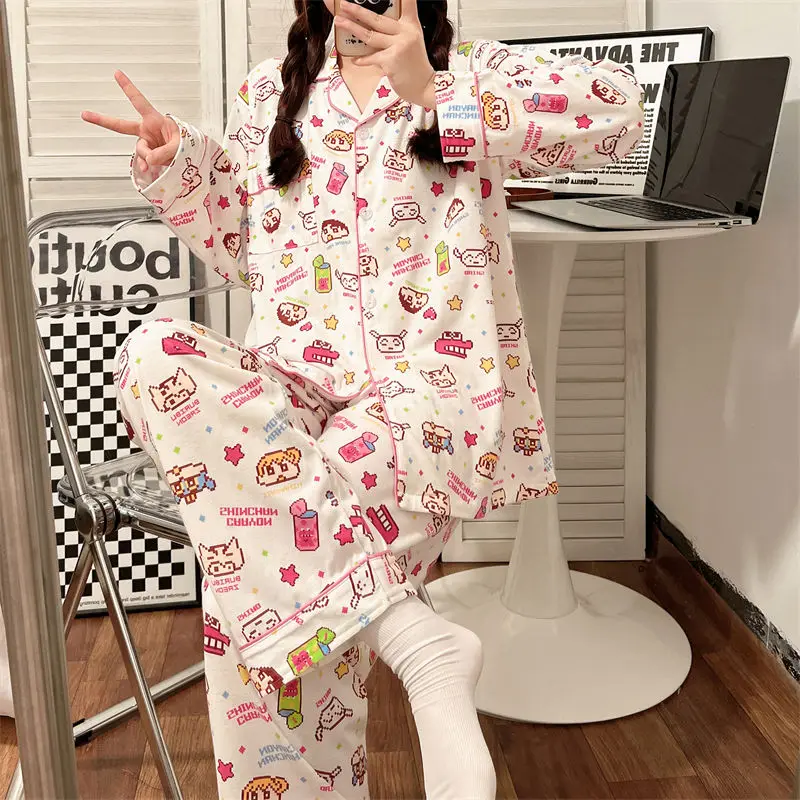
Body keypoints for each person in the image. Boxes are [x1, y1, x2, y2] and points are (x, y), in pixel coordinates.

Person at [82, 1, 643, 796]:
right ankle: (412, 636)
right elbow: (248, 251)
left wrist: (436, 92)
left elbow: (620, 115)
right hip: (291, 392)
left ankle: (401, 650)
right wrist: (181, 164)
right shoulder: (268, 95)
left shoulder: (470, 72)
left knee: (256, 584)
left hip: (421, 405)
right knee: (152, 356)